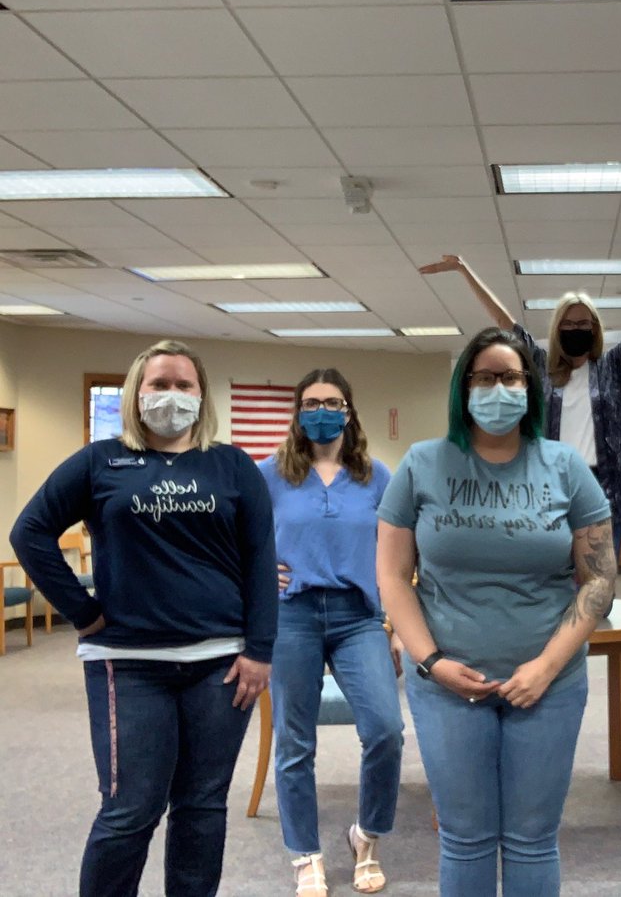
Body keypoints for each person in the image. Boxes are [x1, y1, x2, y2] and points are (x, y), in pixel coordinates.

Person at [9, 339, 277, 897]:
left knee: (202, 806)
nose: (171, 396)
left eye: (184, 386)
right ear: (136, 393)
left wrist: (260, 650)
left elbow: (259, 560)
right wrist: (81, 613)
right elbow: (29, 533)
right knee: (130, 808)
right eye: (159, 384)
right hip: (127, 665)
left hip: (220, 664)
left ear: (202, 397)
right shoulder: (99, 460)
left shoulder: (231, 466)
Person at [376, 326, 617, 897]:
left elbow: (600, 578)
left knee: (534, 836)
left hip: (548, 683)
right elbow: (391, 574)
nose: (498, 389)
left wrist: (545, 668)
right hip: (446, 681)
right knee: (465, 836)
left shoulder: (565, 466)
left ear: (530, 389)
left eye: (510, 377)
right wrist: (431, 662)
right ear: (463, 389)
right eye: (483, 378)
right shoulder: (421, 463)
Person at [418, 248, 621, 563]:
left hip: (605, 490)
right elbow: (503, 321)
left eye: (583, 323)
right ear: (557, 329)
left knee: (601, 587)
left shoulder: (614, 369)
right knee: (553, 577)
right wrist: (464, 270)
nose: (575, 329)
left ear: (594, 329)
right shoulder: (538, 368)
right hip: (550, 485)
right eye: (567, 324)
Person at [260, 368, 402, 896]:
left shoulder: (376, 476)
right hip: (290, 614)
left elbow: (399, 554)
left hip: (358, 616)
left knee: (386, 730)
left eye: (333, 402)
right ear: (298, 411)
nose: (322, 410)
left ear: (349, 411)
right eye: (312, 402)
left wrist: (397, 624)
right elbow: (231, 539)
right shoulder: (270, 474)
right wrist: (253, 575)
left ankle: (366, 836)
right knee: (294, 741)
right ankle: (306, 854)